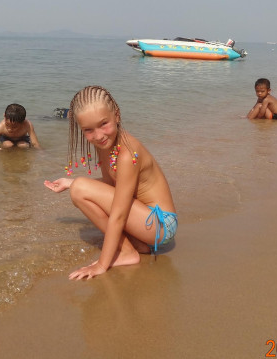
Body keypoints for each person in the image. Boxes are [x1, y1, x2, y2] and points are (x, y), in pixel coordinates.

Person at [43, 86, 177, 280]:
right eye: (88, 130)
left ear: (117, 115)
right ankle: (136, 245)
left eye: (103, 124)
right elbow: (112, 187)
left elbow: (119, 215)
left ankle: (126, 253)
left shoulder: (127, 154)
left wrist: (101, 265)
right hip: (146, 223)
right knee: (78, 187)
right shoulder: (106, 144)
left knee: (80, 189)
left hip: (161, 225)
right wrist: (70, 182)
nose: (98, 135)